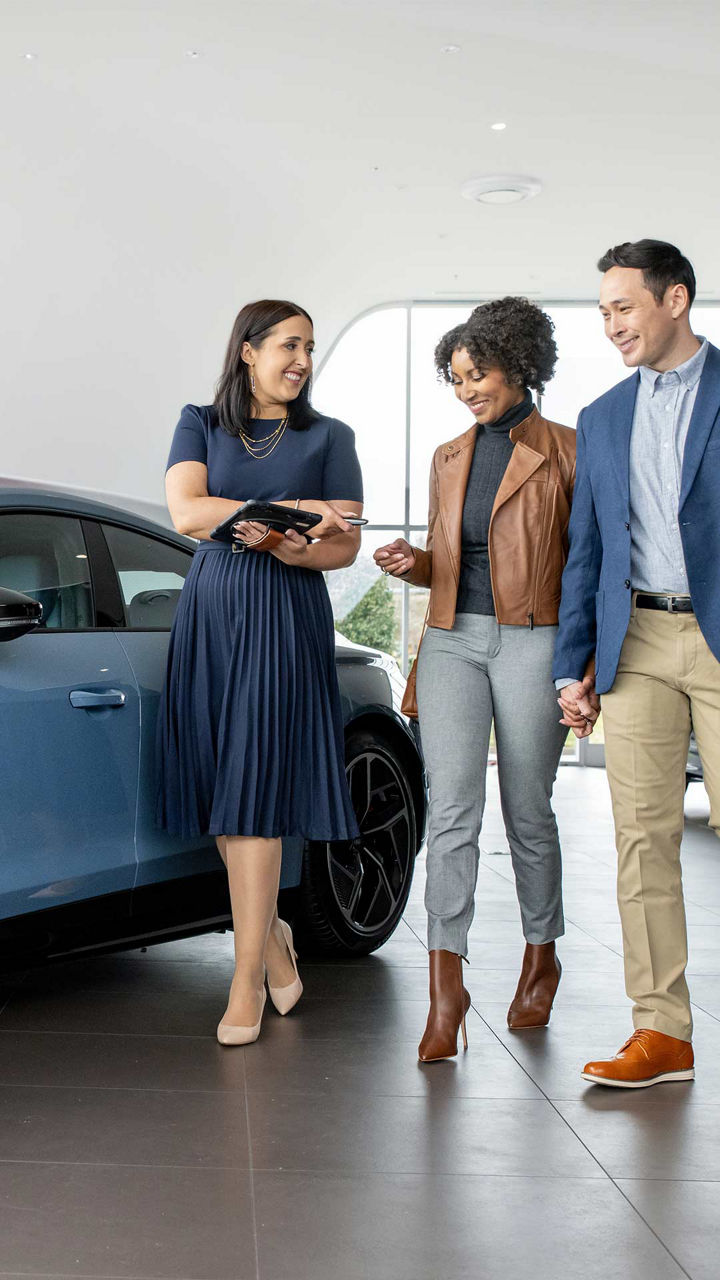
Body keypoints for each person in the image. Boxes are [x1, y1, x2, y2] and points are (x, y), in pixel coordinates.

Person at [157, 299, 363, 1045]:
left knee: (253, 788)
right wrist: (296, 506)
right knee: (221, 782)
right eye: (288, 344)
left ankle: (244, 977)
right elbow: (185, 512)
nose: (302, 359)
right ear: (247, 350)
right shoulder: (201, 422)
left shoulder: (331, 436)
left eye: (309, 346)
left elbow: (341, 546)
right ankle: (271, 938)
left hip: (284, 609)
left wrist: (284, 539)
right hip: (212, 611)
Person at [375, 297, 577, 1061]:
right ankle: (445, 988)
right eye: (455, 378)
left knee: (528, 810)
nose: (467, 390)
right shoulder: (448, 457)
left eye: (478, 372)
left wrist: (582, 664)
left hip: (537, 639)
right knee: (452, 811)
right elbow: (449, 563)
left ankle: (540, 953)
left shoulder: (569, 451)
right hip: (454, 640)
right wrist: (413, 564)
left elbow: (585, 565)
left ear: (519, 363)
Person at [554, 239, 720, 1088]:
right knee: (641, 842)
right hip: (641, 644)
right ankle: (663, 1033)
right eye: (605, 311)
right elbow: (587, 551)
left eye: (625, 306)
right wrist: (572, 664)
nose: (613, 324)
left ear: (676, 300)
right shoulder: (604, 416)